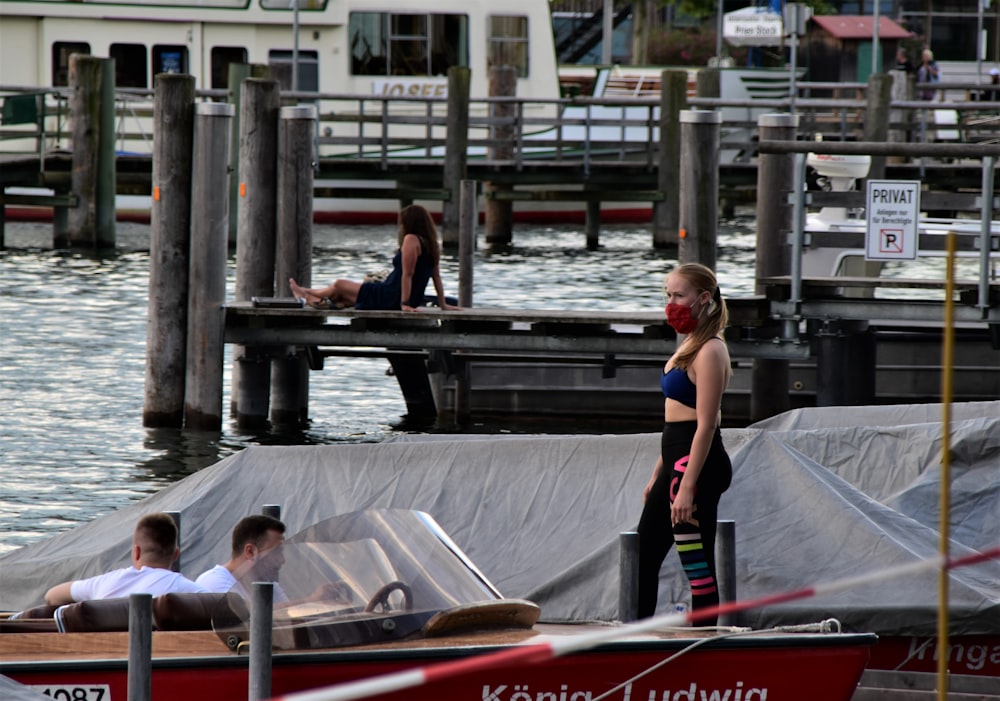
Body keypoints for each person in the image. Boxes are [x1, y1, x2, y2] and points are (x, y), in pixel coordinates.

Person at [635, 263, 733, 624]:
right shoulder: (691, 344)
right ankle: (635, 634)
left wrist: (687, 487)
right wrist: (657, 475)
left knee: (695, 560)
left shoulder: (710, 350)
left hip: (696, 466)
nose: (671, 303)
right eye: (668, 295)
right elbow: (673, 421)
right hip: (675, 461)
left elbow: (706, 424)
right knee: (643, 555)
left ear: (703, 298)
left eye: (679, 296)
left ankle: (703, 641)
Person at [289, 204, 460, 312]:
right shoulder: (431, 243)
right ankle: (306, 294)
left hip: (391, 295)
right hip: (403, 296)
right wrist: (443, 304)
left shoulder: (411, 240)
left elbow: (407, 274)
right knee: (341, 296)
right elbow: (436, 276)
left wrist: (405, 304)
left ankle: (306, 294)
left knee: (339, 285)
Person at [44, 512, 206, 605]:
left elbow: (52, 596)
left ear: (136, 552)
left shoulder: (104, 583)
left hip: (102, 658)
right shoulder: (191, 591)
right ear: (176, 554)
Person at [195, 514, 289, 601]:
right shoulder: (213, 583)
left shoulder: (269, 586)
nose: (282, 560)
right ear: (250, 552)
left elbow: (289, 614)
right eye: (276, 551)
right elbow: (245, 614)